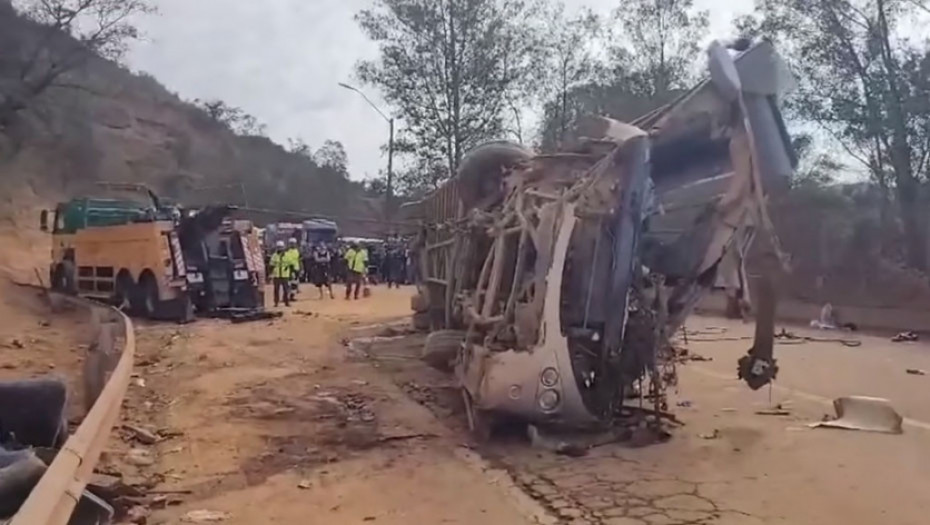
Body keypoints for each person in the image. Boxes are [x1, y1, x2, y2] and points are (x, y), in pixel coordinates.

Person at [269, 240, 297, 307]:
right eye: (278, 247)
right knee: (276, 290)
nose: (280, 249)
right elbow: (271, 265)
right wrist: (270, 274)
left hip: (285, 275)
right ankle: (276, 302)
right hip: (277, 275)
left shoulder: (287, 255)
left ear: (283, 247)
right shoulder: (274, 255)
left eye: (281, 247)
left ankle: (286, 302)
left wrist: (292, 273)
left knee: (286, 289)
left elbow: (291, 265)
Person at [284, 238, 302, 302]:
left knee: (294, 283)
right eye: (291, 243)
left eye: (293, 243)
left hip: (296, 268)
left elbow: (299, 260)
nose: (292, 244)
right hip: (288, 268)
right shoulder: (286, 251)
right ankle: (286, 296)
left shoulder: (297, 251)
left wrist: (301, 268)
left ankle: (292, 296)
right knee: (288, 283)